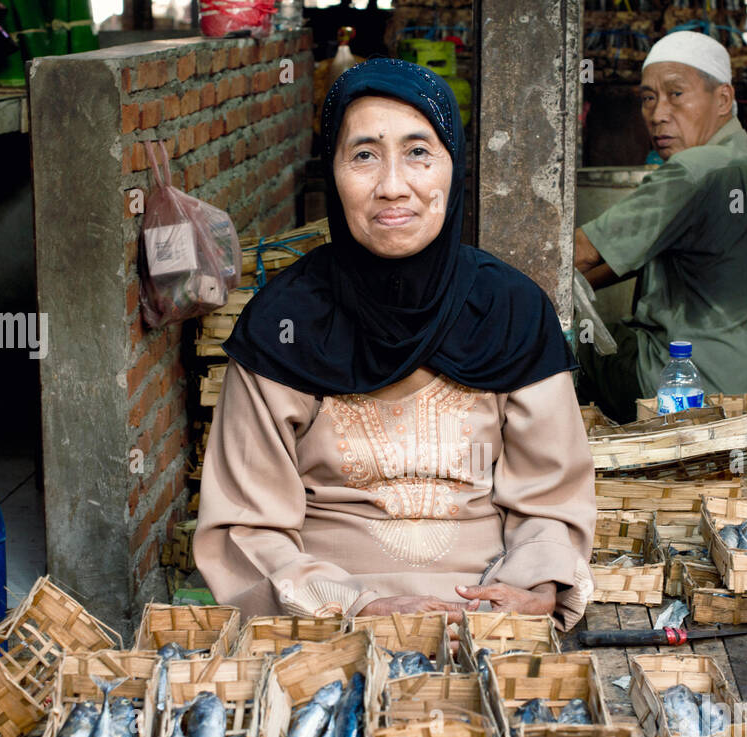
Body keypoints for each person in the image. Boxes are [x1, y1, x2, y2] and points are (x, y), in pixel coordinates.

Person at [195, 59, 596, 632]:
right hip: (326, 623)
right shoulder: (286, 323)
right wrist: (351, 605)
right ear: (331, 172)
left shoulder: (510, 311)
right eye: (363, 154)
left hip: (486, 621)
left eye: (418, 152)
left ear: (453, 168)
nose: (391, 185)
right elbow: (245, 526)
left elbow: (551, 500)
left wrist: (535, 588)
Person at [573, 31, 747, 425]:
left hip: (699, 386)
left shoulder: (696, 170)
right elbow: (616, 258)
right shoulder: (742, 157)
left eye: (676, 94)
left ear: (723, 99)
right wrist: (577, 283)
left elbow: (580, 251)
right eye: (648, 98)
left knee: (568, 346)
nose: (658, 113)